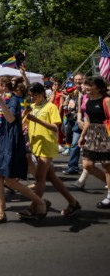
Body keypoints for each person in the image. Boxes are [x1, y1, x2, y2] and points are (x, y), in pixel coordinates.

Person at [0, 75, 46, 224]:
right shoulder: (0, 101)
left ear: (4, 86)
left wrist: (0, 102)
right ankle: (1, 212)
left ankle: (40, 202)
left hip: (9, 142)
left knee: (10, 181)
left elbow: (10, 119)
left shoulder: (12, 100)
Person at [25, 82, 81, 217]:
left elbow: (55, 127)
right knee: (52, 178)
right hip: (36, 145)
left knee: (39, 178)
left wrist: (36, 120)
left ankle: (34, 207)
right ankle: (73, 203)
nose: (33, 98)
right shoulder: (31, 107)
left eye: (35, 95)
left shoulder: (51, 107)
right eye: (31, 96)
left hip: (47, 145)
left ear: (43, 94)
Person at [75, 76, 110, 208]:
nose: (87, 87)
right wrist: (82, 136)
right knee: (87, 165)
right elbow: (88, 121)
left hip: (106, 134)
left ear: (99, 87)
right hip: (92, 135)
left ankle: (109, 196)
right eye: (87, 85)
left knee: (107, 167)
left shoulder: (106, 100)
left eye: (90, 85)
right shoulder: (88, 101)